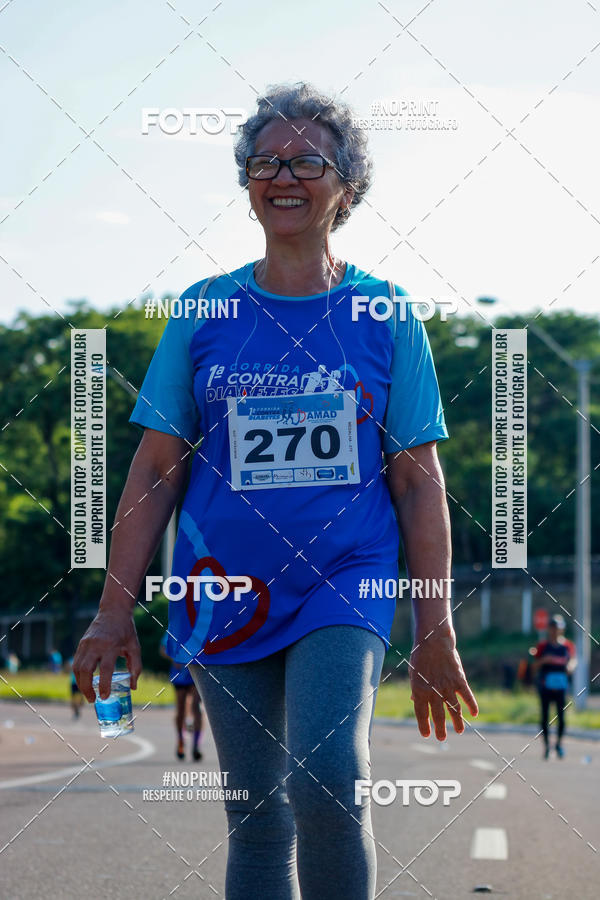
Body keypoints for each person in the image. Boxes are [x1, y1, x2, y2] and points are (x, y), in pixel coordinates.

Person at [73, 82, 478, 900]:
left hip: (347, 577)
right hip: (226, 584)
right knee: (255, 816)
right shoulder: (204, 311)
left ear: (346, 187)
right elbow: (156, 469)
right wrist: (115, 609)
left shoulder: (387, 313)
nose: (282, 174)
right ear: (247, 183)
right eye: (265, 160)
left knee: (327, 774)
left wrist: (435, 627)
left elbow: (416, 476)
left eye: (306, 160)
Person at [531, 614, 577, 759]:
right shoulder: (542, 646)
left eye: (558, 628)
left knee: (561, 717)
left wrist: (570, 666)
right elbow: (534, 666)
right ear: (549, 629)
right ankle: (546, 746)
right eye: (552, 628)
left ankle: (559, 744)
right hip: (545, 686)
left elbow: (573, 661)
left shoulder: (568, 646)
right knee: (545, 716)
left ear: (562, 629)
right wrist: (545, 660)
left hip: (562, 686)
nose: (555, 631)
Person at [159, 632, 203, 760]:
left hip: (196, 671)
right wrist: (174, 658)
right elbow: (162, 648)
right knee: (181, 709)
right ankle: (180, 740)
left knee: (196, 707)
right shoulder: (174, 628)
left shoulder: (199, 625)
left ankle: (196, 745)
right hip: (180, 673)